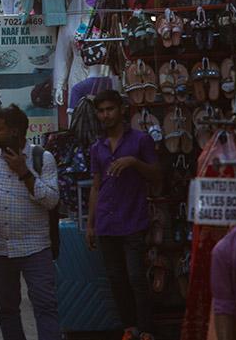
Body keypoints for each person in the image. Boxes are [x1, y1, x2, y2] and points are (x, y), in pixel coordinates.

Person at [0, 105, 62, 340]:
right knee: (7, 309)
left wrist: (24, 172)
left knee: (45, 306)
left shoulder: (42, 158)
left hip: (35, 248)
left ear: (14, 132)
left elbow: (51, 200)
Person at [86, 90, 161, 340]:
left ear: (121, 110)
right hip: (107, 222)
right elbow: (96, 186)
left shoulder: (140, 140)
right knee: (116, 279)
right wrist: (90, 224)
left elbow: (156, 175)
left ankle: (147, 329)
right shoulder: (97, 147)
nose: (105, 115)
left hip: (133, 219)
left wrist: (134, 163)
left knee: (136, 277)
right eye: (101, 111)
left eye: (110, 109)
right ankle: (129, 328)